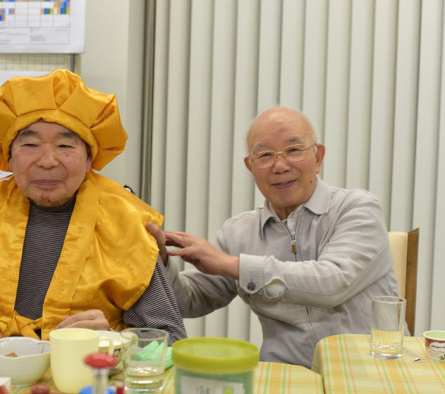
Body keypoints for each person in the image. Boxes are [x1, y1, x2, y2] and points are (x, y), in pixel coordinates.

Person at [0, 69, 187, 344]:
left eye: (66, 146)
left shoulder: (126, 225)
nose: (48, 161)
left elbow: (170, 340)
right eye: (29, 144)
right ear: (9, 157)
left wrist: (115, 341)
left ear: (91, 158)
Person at [147, 106, 401, 366]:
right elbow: (191, 300)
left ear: (318, 157)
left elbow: (332, 283)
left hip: (368, 370)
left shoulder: (357, 208)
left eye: (293, 150)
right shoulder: (239, 233)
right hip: (285, 376)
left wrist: (232, 265)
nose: (280, 166)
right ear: (250, 166)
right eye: (265, 155)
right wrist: (161, 261)